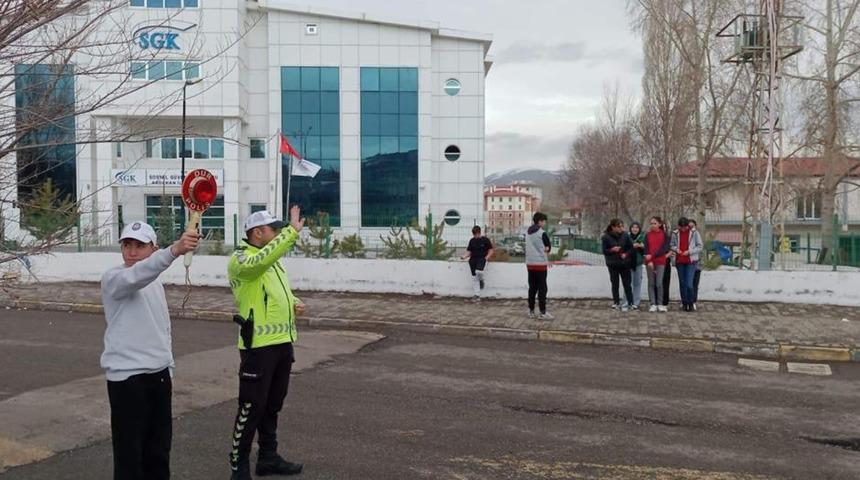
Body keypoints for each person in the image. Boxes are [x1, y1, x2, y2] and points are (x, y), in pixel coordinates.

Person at [100, 221, 199, 480]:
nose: (132, 252)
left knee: (158, 453)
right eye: (127, 245)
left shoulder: (155, 284)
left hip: (159, 375)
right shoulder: (114, 279)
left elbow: (162, 329)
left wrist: (169, 366)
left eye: (140, 246)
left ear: (152, 249)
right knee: (130, 458)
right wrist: (174, 250)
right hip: (127, 380)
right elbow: (137, 275)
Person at [227, 207, 306, 480]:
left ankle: (268, 458)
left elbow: (275, 290)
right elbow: (261, 262)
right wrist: (291, 233)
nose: (278, 233)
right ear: (258, 233)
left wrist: (293, 302)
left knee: (273, 404)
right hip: (258, 345)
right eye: (274, 229)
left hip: (282, 341)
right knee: (251, 407)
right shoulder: (242, 258)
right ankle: (238, 466)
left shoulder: (273, 260)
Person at [670, 217, 704, 312]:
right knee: (682, 283)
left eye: (685, 227)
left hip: (691, 261)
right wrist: (677, 250)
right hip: (680, 261)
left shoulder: (694, 233)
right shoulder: (675, 233)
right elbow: (672, 245)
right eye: (682, 227)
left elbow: (700, 246)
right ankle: (684, 303)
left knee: (689, 283)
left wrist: (689, 252)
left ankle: (691, 302)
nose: (684, 229)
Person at [601, 218, 635, 312]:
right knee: (615, 283)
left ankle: (631, 303)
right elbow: (604, 251)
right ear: (613, 227)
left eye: (622, 226)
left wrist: (626, 254)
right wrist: (612, 250)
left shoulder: (625, 236)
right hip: (612, 264)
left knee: (627, 284)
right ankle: (616, 302)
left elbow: (631, 248)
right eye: (618, 226)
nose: (621, 228)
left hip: (624, 264)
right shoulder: (606, 237)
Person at [526, 212, 553, 320]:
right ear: (540, 221)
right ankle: (543, 312)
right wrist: (546, 250)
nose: (544, 223)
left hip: (529, 264)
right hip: (540, 264)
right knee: (542, 288)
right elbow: (547, 248)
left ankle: (531, 311)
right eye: (544, 221)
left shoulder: (528, 232)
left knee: (532, 288)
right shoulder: (542, 233)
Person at [643, 216, 670, 313]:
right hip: (649, 262)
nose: (652, 225)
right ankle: (653, 304)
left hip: (660, 261)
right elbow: (646, 249)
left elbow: (664, 249)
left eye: (654, 223)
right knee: (651, 282)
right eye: (651, 223)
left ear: (659, 224)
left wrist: (652, 256)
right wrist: (648, 260)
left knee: (659, 283)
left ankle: (660, 303)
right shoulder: (647, 235)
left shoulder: (665, 235)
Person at [461, 225, 494, 302]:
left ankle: (481, 280)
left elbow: (491, 250)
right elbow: (469, 251)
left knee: (478, 272)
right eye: (474, 234)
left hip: (482, 259)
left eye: (477, 234)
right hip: (473, 260)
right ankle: (477, 295)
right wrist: (464, 256)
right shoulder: (471, 241)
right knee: (474, 277)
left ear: (479, 233)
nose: (475, 235)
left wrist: (486, 258)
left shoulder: (485, 240)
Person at [628, 221, 646, 310]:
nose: (634, 229)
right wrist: (633, 245)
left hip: (638, 263)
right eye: (633, 227)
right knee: (628, 283)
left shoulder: (642, 237)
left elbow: (646, 249)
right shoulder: (627, 237)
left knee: (637, 283)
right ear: (630, 228)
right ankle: (628, 301)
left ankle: (636, 302)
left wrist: (642, 246)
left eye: (637, 227)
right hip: (628, 263)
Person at [689, 219, 703, 311]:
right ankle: (686, 301)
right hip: (685, 263)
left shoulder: (697, 234)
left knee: (694, 283)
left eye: (692, 226)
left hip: (696, 264)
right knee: (687, 283)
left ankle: (693, 301)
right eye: (689, 226)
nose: (690, 228)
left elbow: (700, 247)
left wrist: (691, 252)